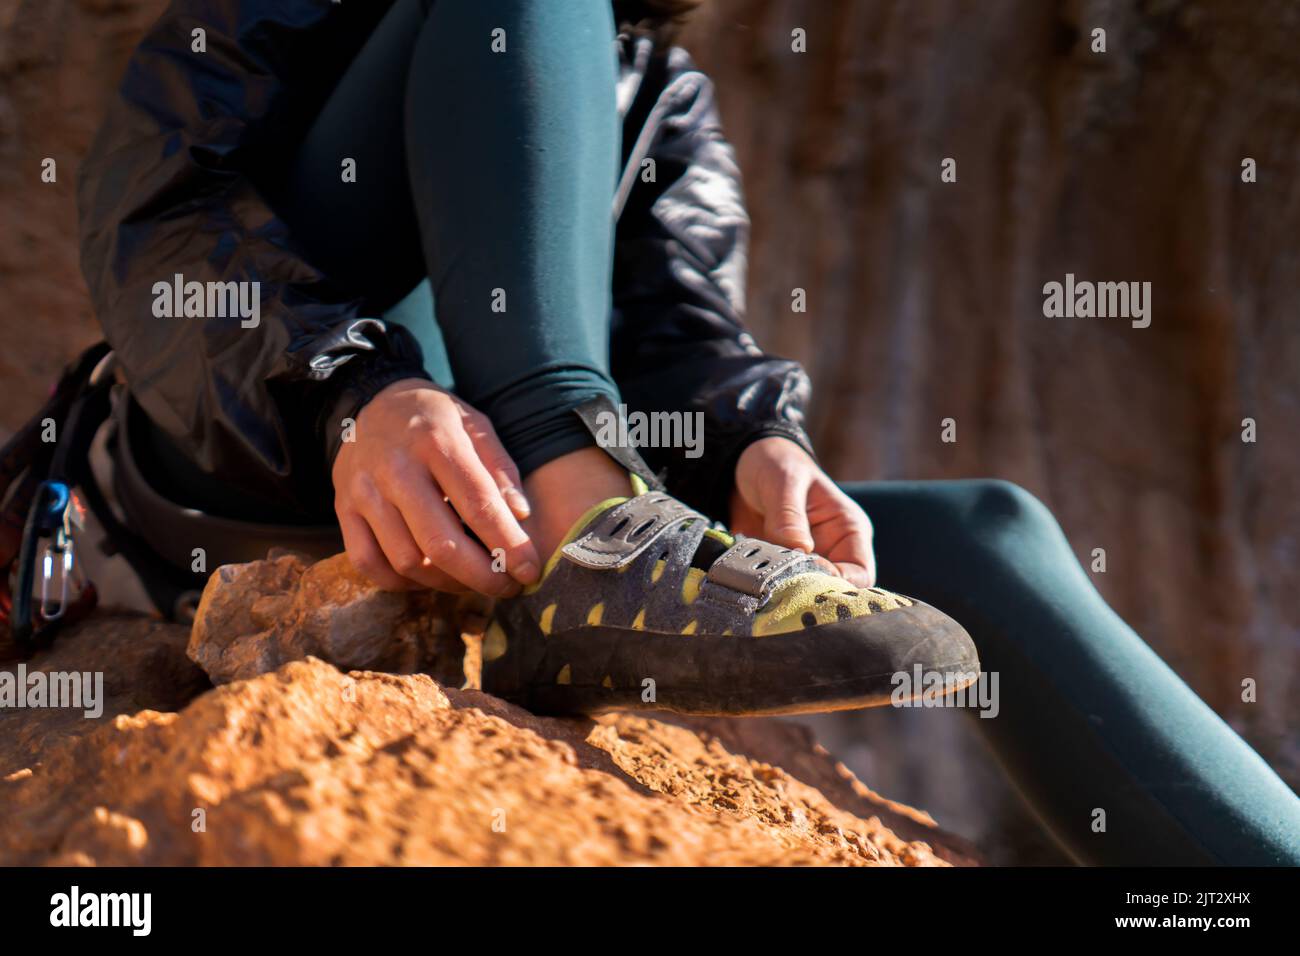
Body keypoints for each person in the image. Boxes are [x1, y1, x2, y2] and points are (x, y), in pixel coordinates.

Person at [75, 0, 1300, 865]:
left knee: (987, 528)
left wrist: (762, 445)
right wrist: (353, 390)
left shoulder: (656, 88)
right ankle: (588, 534)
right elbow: (152, 220)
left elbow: (682, 336)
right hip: (248, 451)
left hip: (499, 512)